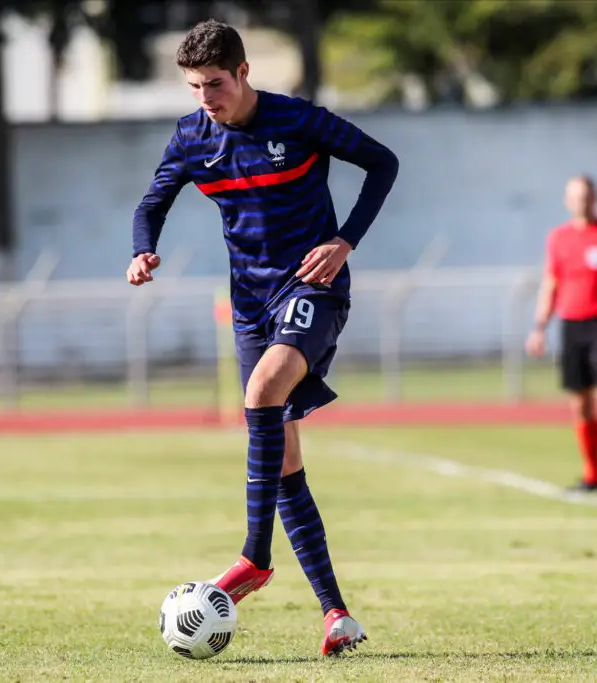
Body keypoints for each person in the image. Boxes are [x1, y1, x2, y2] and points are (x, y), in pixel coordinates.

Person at [126, 19, 399, 656]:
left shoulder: (298, 120)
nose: (205, 98)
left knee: (261, 392)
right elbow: (150, 204)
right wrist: (143, 249)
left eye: (215, 84)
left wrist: (345, 240)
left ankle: (254, 556)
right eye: (194, 87)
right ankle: (337, 614)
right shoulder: (193, 136)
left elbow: (382, 163)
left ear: (244, 73)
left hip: (311, 288)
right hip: (250, 307)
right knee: (282, 458)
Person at [524, 175, 597, 495]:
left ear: (595, 199)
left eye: (586, 196)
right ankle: (592, 476)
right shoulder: (558, 238)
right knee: (580, 403)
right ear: (567, 201)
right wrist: (539, 327)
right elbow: (551, 283)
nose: (582, 203)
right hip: (571, 325)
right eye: (576, 197)